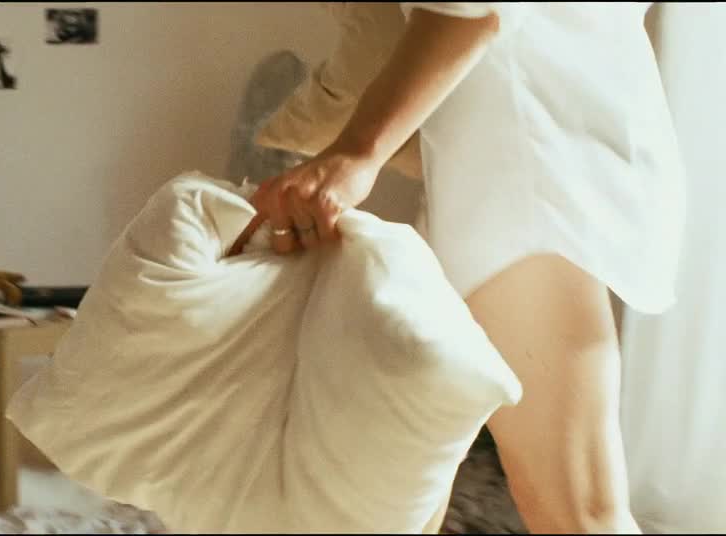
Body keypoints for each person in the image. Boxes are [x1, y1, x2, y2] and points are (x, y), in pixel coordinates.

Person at [236, 3, 683, 534]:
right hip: (523, 149)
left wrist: (357, 151)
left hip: (521, 164)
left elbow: (474, 9)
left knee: (577, 511)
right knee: (408, 489)